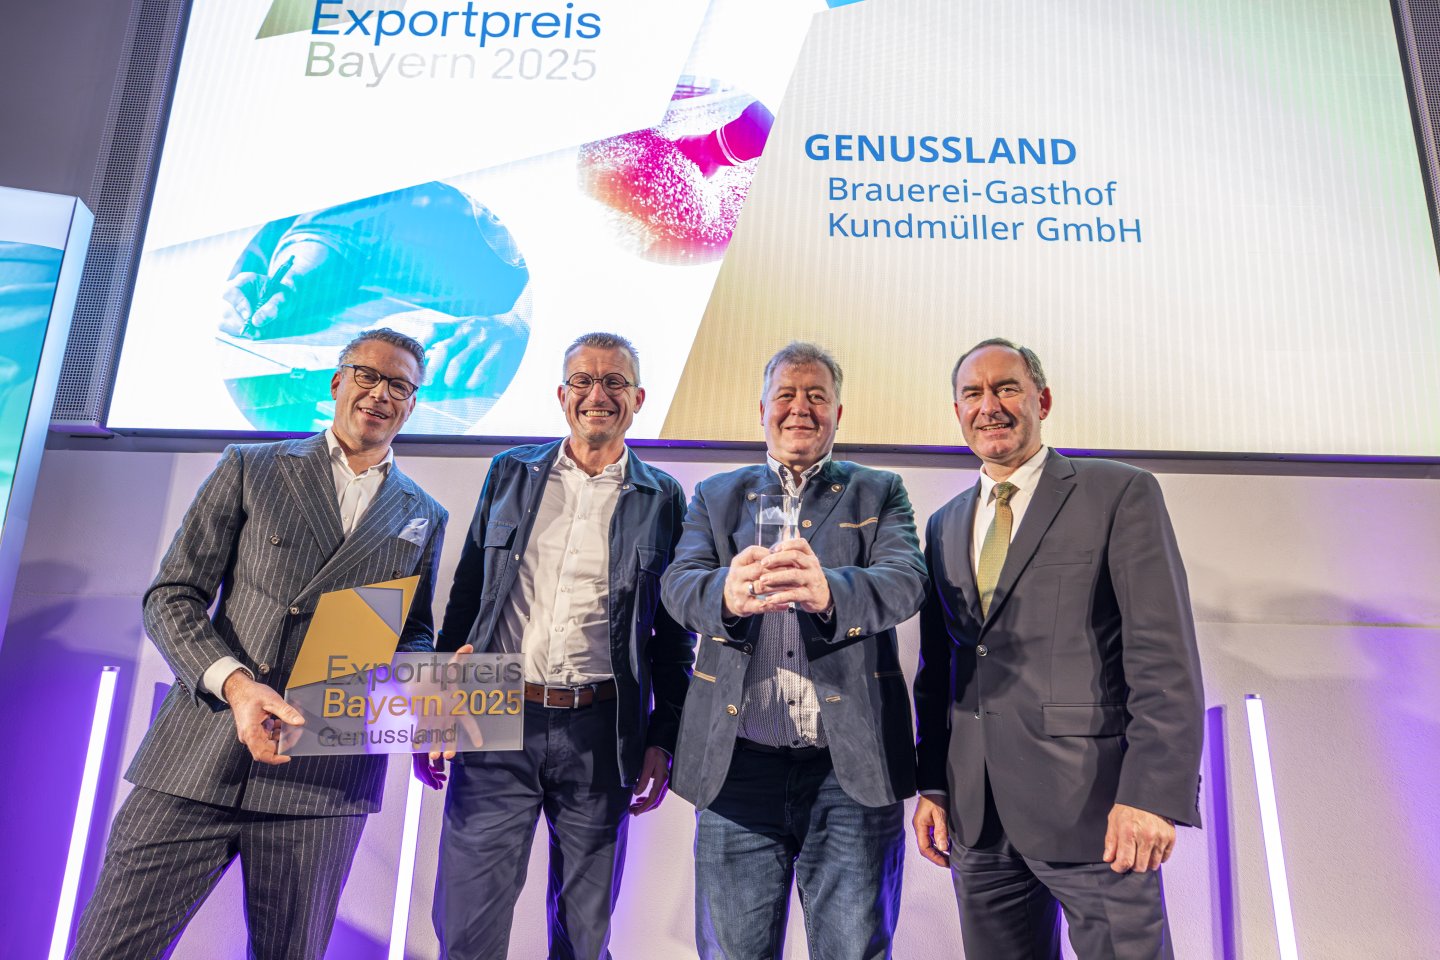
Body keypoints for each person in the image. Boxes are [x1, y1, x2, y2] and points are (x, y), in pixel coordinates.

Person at [70, 328, 448, 959]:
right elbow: (172, 595)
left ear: (412, 404)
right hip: (199, 755)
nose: (380, 393)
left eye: (400, 385)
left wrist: (427, 696)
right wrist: (238, 686)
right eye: (367, 375)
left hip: (324, 778)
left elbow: (411, 629)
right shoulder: (254, 465)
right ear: (337, 381)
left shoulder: (423, 512)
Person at [912, 338, 1205, 959]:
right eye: (972, 394)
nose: (989, 406)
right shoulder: (943, 524)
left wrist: (1152, 795)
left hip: (1096, 811)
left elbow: (1163, 657)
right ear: (957, 411)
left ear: (1041, 401)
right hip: (978, 819)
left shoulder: (1118, 492)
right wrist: (934, 784)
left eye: (1007, 388)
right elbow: (940, 672)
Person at [425, 332, 692, 960]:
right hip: (495, 713)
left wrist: (663, 737)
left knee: (585, 932)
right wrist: (434, 707)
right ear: (561, 394)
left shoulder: (663, 498)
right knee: (466, 924)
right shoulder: (510, 473)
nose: (597, 394)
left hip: (603, 730)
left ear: (638, 399)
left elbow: (674, 635)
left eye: (614, 382)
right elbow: (467, 597)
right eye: (583, 381)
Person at [661, 342, 927, 960]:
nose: (799, 408)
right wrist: (725, 594)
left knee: (854, 951)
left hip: (849, 768)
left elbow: (906, 581)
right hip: (737, 769)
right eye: (785, 395)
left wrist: (830, 592)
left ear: (838, 413)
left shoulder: (879, 491)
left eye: (816, 396)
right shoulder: (716, 494)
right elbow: (678, 585)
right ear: (762, 410)